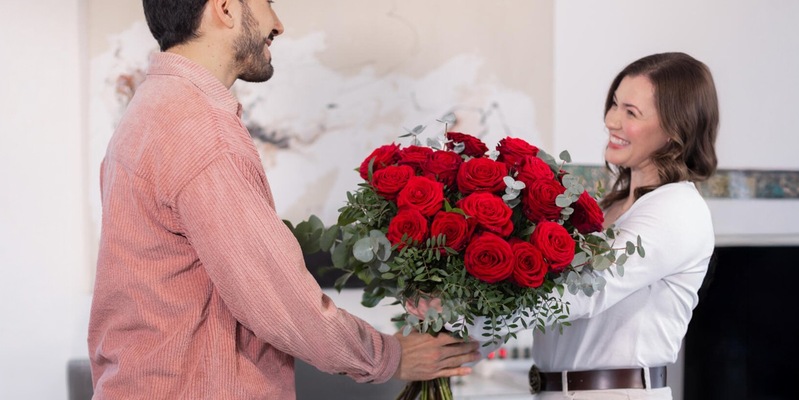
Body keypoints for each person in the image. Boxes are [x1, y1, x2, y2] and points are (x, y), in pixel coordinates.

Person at [87, 0, 479, 398]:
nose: (277, 25)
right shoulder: (204, 135)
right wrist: (390, 357)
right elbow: (281, 304)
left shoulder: (150, 111)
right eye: (268, 3)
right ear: (225, 8)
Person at [525, 52, 719, 399]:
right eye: (615, 104)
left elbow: (586, 292)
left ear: (674, 130)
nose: (611, 120)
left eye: (631, 112)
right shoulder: (607, 207)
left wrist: (466, 319)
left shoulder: (678, 209)